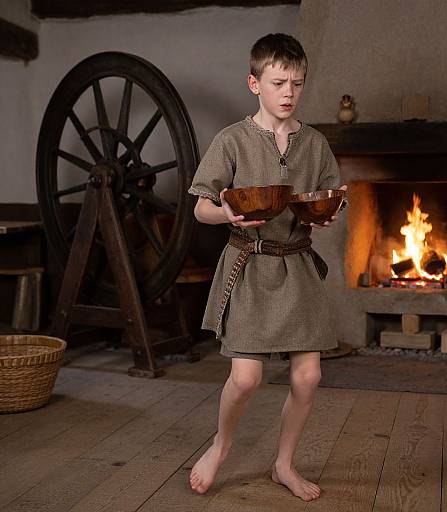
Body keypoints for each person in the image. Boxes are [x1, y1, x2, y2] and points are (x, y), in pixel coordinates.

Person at [187, 33, 346, 502]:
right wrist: (226, 213)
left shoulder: (315, 144)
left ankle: (283, 465)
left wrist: (330, 210)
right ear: (254, 83)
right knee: (246, 377)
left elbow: (330, 197)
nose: (289, 92)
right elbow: (200, 206)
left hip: (296, 264)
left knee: (308, 376)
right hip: (250, 264)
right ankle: (221, 444)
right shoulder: (232, 140)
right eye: (279, 82)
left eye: (297, 83)